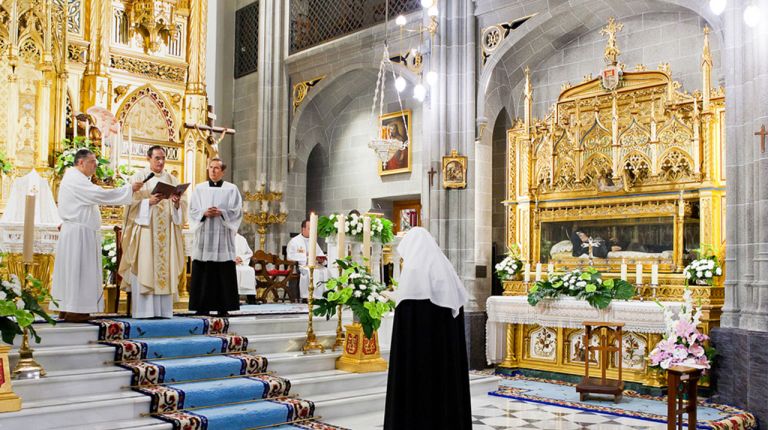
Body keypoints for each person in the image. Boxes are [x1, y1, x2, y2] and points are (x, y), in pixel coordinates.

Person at [383, 227, 471, 430]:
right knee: (442, 392)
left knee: (418, 394)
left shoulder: (414, 272)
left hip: (417, 363)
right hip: (444, 362)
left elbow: (407, 314)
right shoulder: (446, 270)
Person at [51, 149, 142, 322]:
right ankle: (76, 310)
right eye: (92, 161)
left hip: (79, 231)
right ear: (81, 163)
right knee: (79, 270)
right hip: (79, 234)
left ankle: (69, 307)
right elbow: (100, 194)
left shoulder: (75, 178)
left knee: (74, 270)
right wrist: (128, 189)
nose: (96, 165)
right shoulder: (75, 179)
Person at [118, 146, 187, 319]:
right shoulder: (140, 178)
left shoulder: (172, 179)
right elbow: (129, 206)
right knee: (146, 266)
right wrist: (147, 202)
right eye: (157, 158)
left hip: (167, 235)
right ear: (148, 159)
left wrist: (177, 203)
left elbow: (180, 211)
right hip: (145, 233)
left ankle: (163, 311)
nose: (161, 162)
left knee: (164, 269)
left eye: (163, 158)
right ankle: (145, 312)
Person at [188, 158, 242, 316]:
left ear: (223, 171)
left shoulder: (231, 189)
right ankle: (201, 306)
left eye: (217, 168)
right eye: (211, 167)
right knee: (204, 270)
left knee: (222, 272)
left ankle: (223, 307)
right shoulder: (199, 188)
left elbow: (237, 211)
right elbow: (192, 210)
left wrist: (222, 213)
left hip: (222, 237)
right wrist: (203, 213)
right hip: (205, 235)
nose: (213, 171)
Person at [286, 220, 330, 300]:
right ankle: (308, 296)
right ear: (303, 229)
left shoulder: (313, 241)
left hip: (315, 265)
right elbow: (290, 256)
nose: (312, 231)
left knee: (326, 271)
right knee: (311, 272)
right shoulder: (294, 241)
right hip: (301, 266)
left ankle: (322, 296)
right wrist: (306, 257)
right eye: (310, 229)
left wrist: (321, 260)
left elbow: (320, 254)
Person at [235, 233, 257, 304]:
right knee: (237, 271)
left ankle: (251, 298)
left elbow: (249, 253)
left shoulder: (241, 239)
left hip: (241, 263)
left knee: (250, 270)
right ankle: (235, 298)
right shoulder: (224, 238)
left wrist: (241, 258)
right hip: (229, 263)